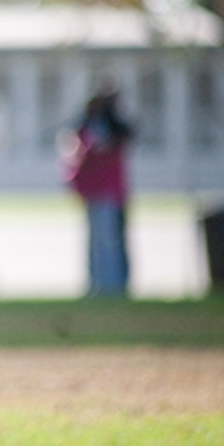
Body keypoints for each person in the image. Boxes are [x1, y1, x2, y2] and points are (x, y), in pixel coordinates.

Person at [65, 80, 133, 297]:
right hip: (92, 191)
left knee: (110, 240)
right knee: (95, 241)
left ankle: (114, 286)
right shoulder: (87, 127)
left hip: (110, 192)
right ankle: (96, 284)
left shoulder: (115, 128)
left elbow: (125, 136)